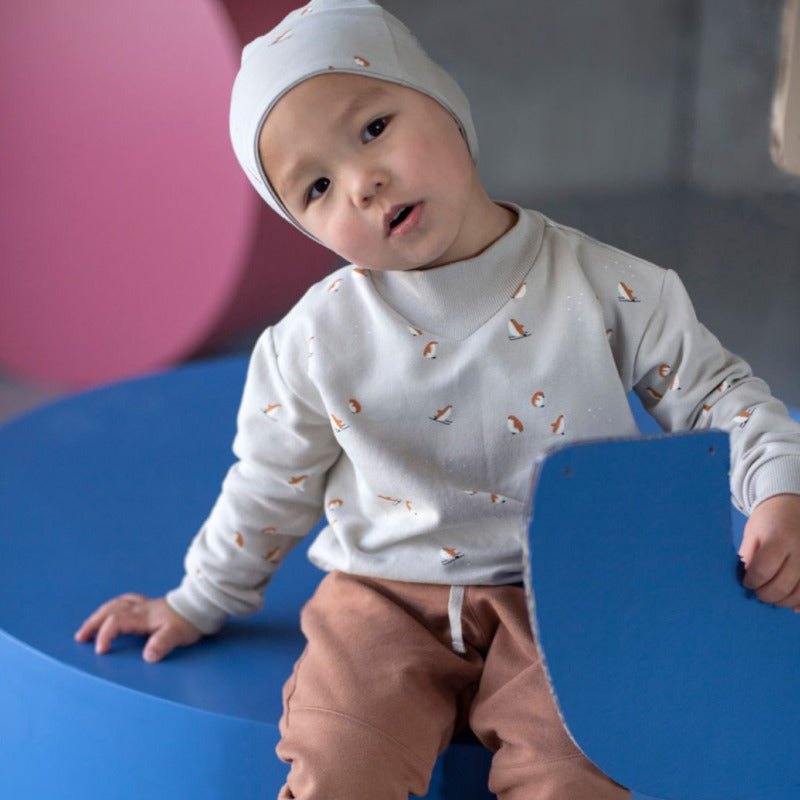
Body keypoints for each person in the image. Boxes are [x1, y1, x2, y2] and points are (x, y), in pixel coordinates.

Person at [75, 1, 800, 797]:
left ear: (445, 102)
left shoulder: (610, 287)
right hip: (381, 597)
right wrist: (198, 598)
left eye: (375, 127)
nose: (362, 181)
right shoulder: (314, 340)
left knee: (582, 772)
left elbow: (717, 396)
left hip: (566, 590)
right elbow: (269, 482)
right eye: (316, 186)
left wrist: (778, 489)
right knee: (338, 761)